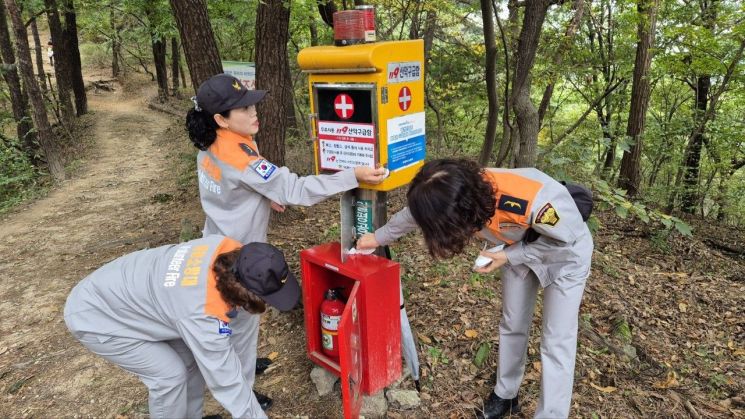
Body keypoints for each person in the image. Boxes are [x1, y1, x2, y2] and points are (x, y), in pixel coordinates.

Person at [186, 73, 386, 408]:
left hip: (214, 241)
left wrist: (264, 195)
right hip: (238, 258)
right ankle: (242, 391)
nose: (253, 112)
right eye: (243, 109)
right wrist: (352, 176)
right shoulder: (239, 156)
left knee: (235, 321)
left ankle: (240, 365)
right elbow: (295, 190)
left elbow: (233, 187)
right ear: (221, 119)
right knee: (242, 324)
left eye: (251, 104)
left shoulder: (211, 142)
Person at [356, 159, 593, 419]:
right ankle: (506, 395)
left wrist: (509, 256)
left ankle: (551, 414)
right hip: (514, 248)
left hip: (564, 257)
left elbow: (564, 240)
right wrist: (377, 237)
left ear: (464, 208)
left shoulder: (535, 201)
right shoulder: (447, 193)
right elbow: (414, 214)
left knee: (556, 339)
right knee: (512, 323)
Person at [64, 235, 300, 419]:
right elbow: (227, 381)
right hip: (98, 316)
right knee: (169, 377)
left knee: (190, 364)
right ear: (245, 293)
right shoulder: (202, 311)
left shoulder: (229, 249)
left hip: (128, 290)